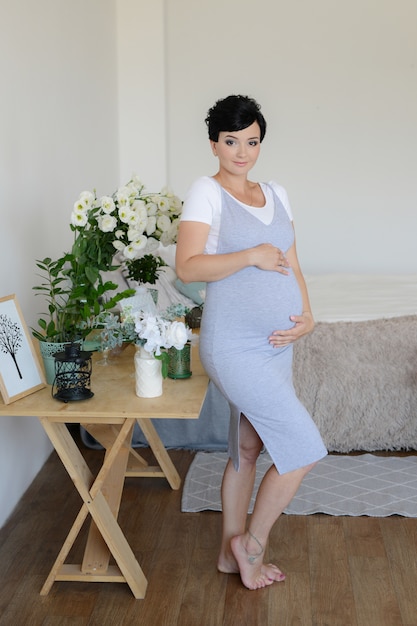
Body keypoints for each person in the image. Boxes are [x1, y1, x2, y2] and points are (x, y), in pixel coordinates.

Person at [176, 95, 327, 590]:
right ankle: (251, 545)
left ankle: (226, 553)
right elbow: (188, 267)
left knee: (247, 446)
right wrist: (250, 256)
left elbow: (294, 265)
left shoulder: (278, 192)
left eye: (253, 142)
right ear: (214, 143)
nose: (242, 153)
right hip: (234, 343)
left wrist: (306, 316)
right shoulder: (207, 191)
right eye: (232, 141)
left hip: (278, 342)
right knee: (302, 447)